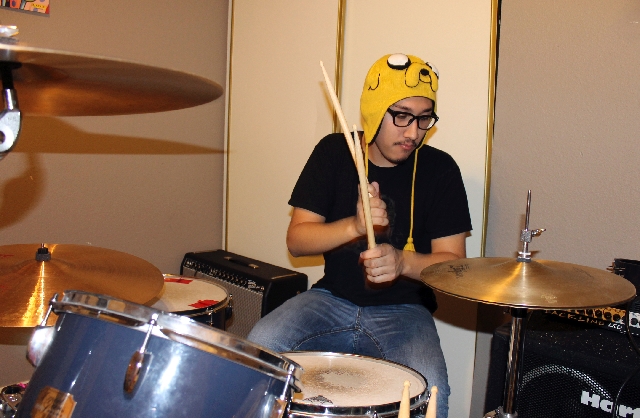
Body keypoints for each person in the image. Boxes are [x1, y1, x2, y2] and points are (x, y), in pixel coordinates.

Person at [247, 53, 472, 418]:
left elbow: (454, 265)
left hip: (405, 312)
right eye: (401, 115)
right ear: (374, 111)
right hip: (329, 298)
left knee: (431, 393)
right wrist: (354, 226)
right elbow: (297, 241)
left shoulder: (440, 169)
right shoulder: (334, 152)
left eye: (424, 118)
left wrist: (402, 262)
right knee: (261, 348)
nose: (413, 132)